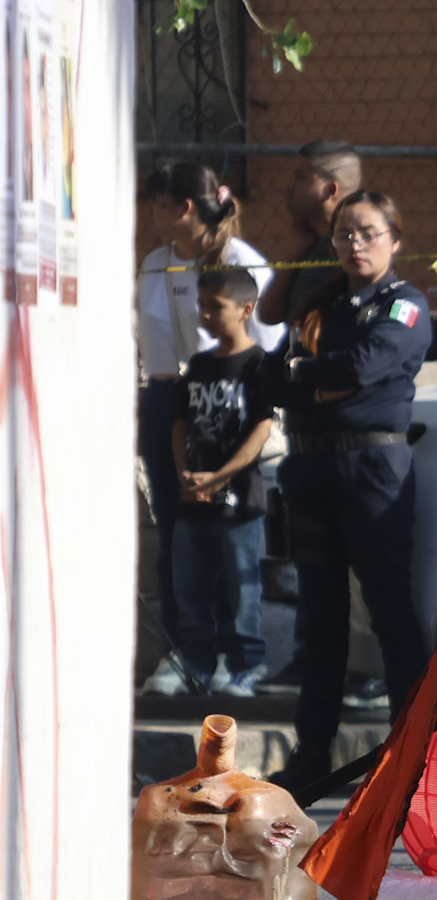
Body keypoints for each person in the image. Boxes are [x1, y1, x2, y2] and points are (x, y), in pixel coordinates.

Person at [265, 191, 434, 801]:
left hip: (372, 470)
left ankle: (410, 756)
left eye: (367, 233)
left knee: (390, 611)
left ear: (394, 238)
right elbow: (271, 374)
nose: (354, 245)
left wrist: (308, 376)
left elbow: (361, 370)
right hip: (311, 472)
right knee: (320, 620)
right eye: (343, 235)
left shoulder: (406, 306)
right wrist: (316, 379)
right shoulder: (321, 306)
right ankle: (312, 755)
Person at [137, 164, 282, 697]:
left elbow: (263, 346)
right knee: (177, 534)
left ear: (185, 208)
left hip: (232, 408)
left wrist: (222, 465)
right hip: (172, 398)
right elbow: (159, 354)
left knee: (234, 545)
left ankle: (239, 659)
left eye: (157, 203)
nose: (150, 215)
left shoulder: (243, 264)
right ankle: (188, 655)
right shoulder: (155, 263)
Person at [168, 266, 278, 701]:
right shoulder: (196, 365)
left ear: (246, 310)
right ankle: (196, 665)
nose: (205, 316)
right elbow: (179, 424)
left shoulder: (258, 365)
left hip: (239, 505)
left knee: (242, 592)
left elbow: (261, 430)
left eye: (216, 307)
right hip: (192, 501)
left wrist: (219, 476)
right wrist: (184, 474)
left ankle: (246, 667)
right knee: (190, 590)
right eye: (201, 306)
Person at [258, 139, 360, 330]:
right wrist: (293, 255)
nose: (289, 187)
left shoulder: (351, 249)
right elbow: (268, 315)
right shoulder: (310, 242)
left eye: (300, 178)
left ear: (330, 190)